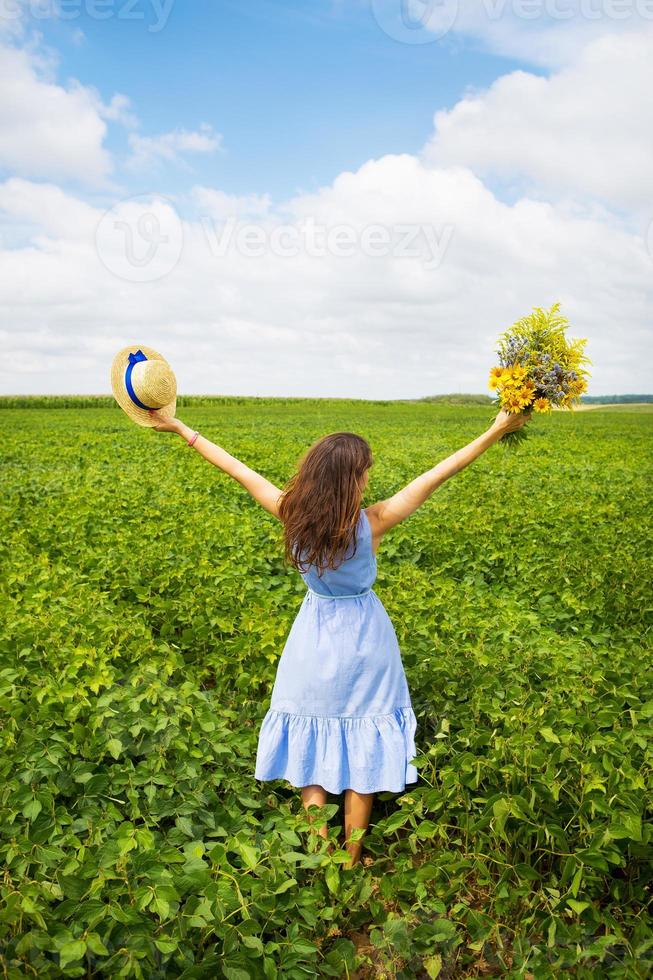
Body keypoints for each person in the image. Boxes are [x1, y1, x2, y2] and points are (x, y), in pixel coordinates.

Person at [149, 406, 531, 867]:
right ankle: (351, 860)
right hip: (367, 642)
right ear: (353, 479)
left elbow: (235, 468)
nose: (369, 480)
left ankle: (319, 853)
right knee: (363, 748)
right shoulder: (372, 522)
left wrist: (179, 428)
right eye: (365, 472)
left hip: (312, 640)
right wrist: (496, 430)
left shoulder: (291, 513)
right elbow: (439, 474)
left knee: (314, 743)